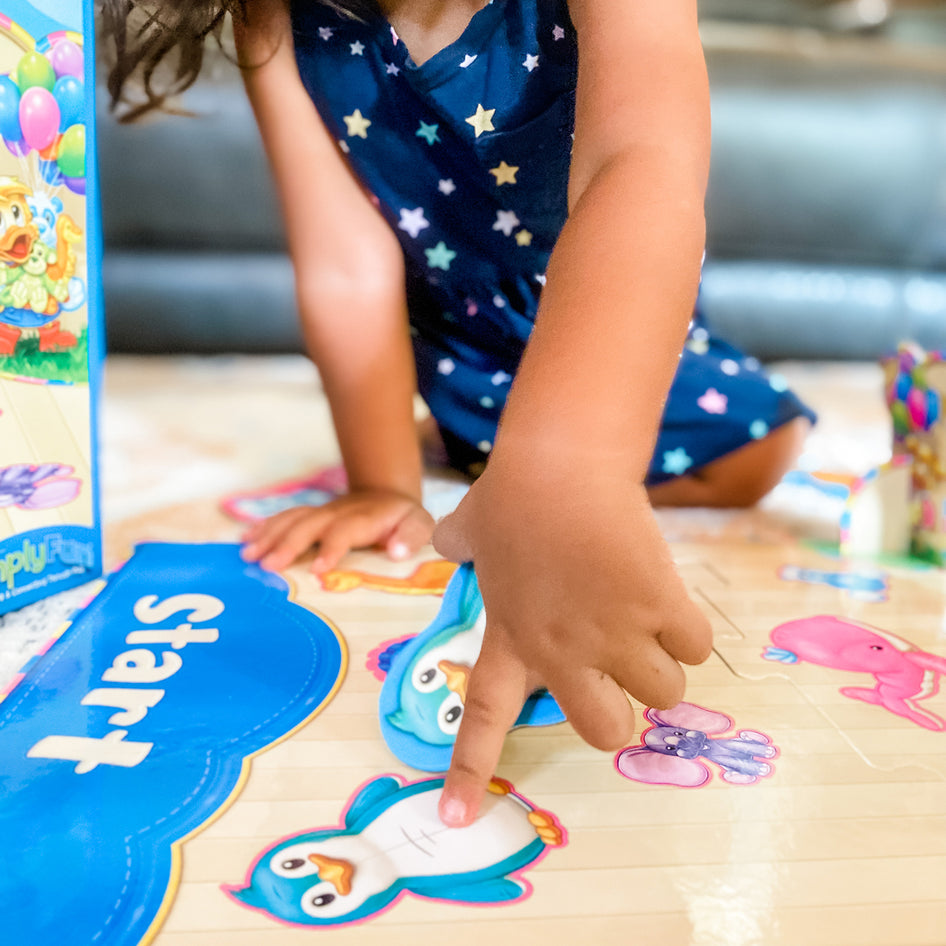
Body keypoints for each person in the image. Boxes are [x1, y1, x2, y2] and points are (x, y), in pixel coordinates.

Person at [103, 0, 814, 827]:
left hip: (598, 311)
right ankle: (474, 451)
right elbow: (344, 261)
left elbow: (642, 159)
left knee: (760, 453)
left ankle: (509, 457)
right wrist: (384, 486)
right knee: (479, 460)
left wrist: (570, 469)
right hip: (454, 336)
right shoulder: (275, 15)